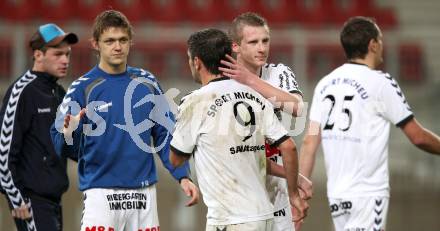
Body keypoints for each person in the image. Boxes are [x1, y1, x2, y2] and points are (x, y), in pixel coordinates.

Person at [50, 10, 199, 231]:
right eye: (109, 41)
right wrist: (69, 132)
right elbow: (59, 143)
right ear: (96, 44)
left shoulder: (146, 83)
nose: (117, 46)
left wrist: (182, 176)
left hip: (143, 195)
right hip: (101, 194)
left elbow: (165, 135)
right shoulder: (82, 88)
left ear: (130, 42)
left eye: (122, 40)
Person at [298, 16, 440, 231]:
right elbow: (417, 136)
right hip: (367, 193)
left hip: (337, 194)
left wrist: (299, 191)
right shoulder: (381, 83)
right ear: (373, 44)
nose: (382, 46)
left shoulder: (324, 85)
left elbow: (310, 141)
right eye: (380, 40)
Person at [169, 28, 308, 231]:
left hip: (230, 220)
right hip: (264, 216)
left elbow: (176, 159)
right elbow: (288, 147)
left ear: (196, 62)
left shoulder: (195, 102)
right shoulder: (255, 95)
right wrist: (294, 193)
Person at [220, 12, 311, 230]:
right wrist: (294, 177)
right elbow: (242, 152)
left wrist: (250, 80)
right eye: (253, 42)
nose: (262, 48)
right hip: (241, 189)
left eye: (265, 41)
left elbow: (297, 108)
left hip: (277, 189)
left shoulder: (278, 73)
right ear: (236, 46)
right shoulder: (223, 84)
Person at [0, 23, 78, 231]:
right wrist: (16, 199)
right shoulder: (21, 92)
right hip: (31, 202)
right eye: (58, 54)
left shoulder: (60, 94)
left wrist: (77, 135)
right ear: (38, 55)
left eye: (68, 54)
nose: (65, 60)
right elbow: (4, 152)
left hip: (55, 201)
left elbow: (70, 149)